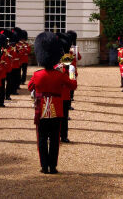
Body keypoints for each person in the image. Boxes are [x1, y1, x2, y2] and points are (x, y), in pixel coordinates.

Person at [29, 31, 77, 175]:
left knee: (42, 139)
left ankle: (44, 166)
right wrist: (71, 72)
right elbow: (73, 85)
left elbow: (30, 87)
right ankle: (53, 166)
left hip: (42, 109)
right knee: (55, 140)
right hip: (56, 108)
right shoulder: (60, 74)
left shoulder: (37, 75)